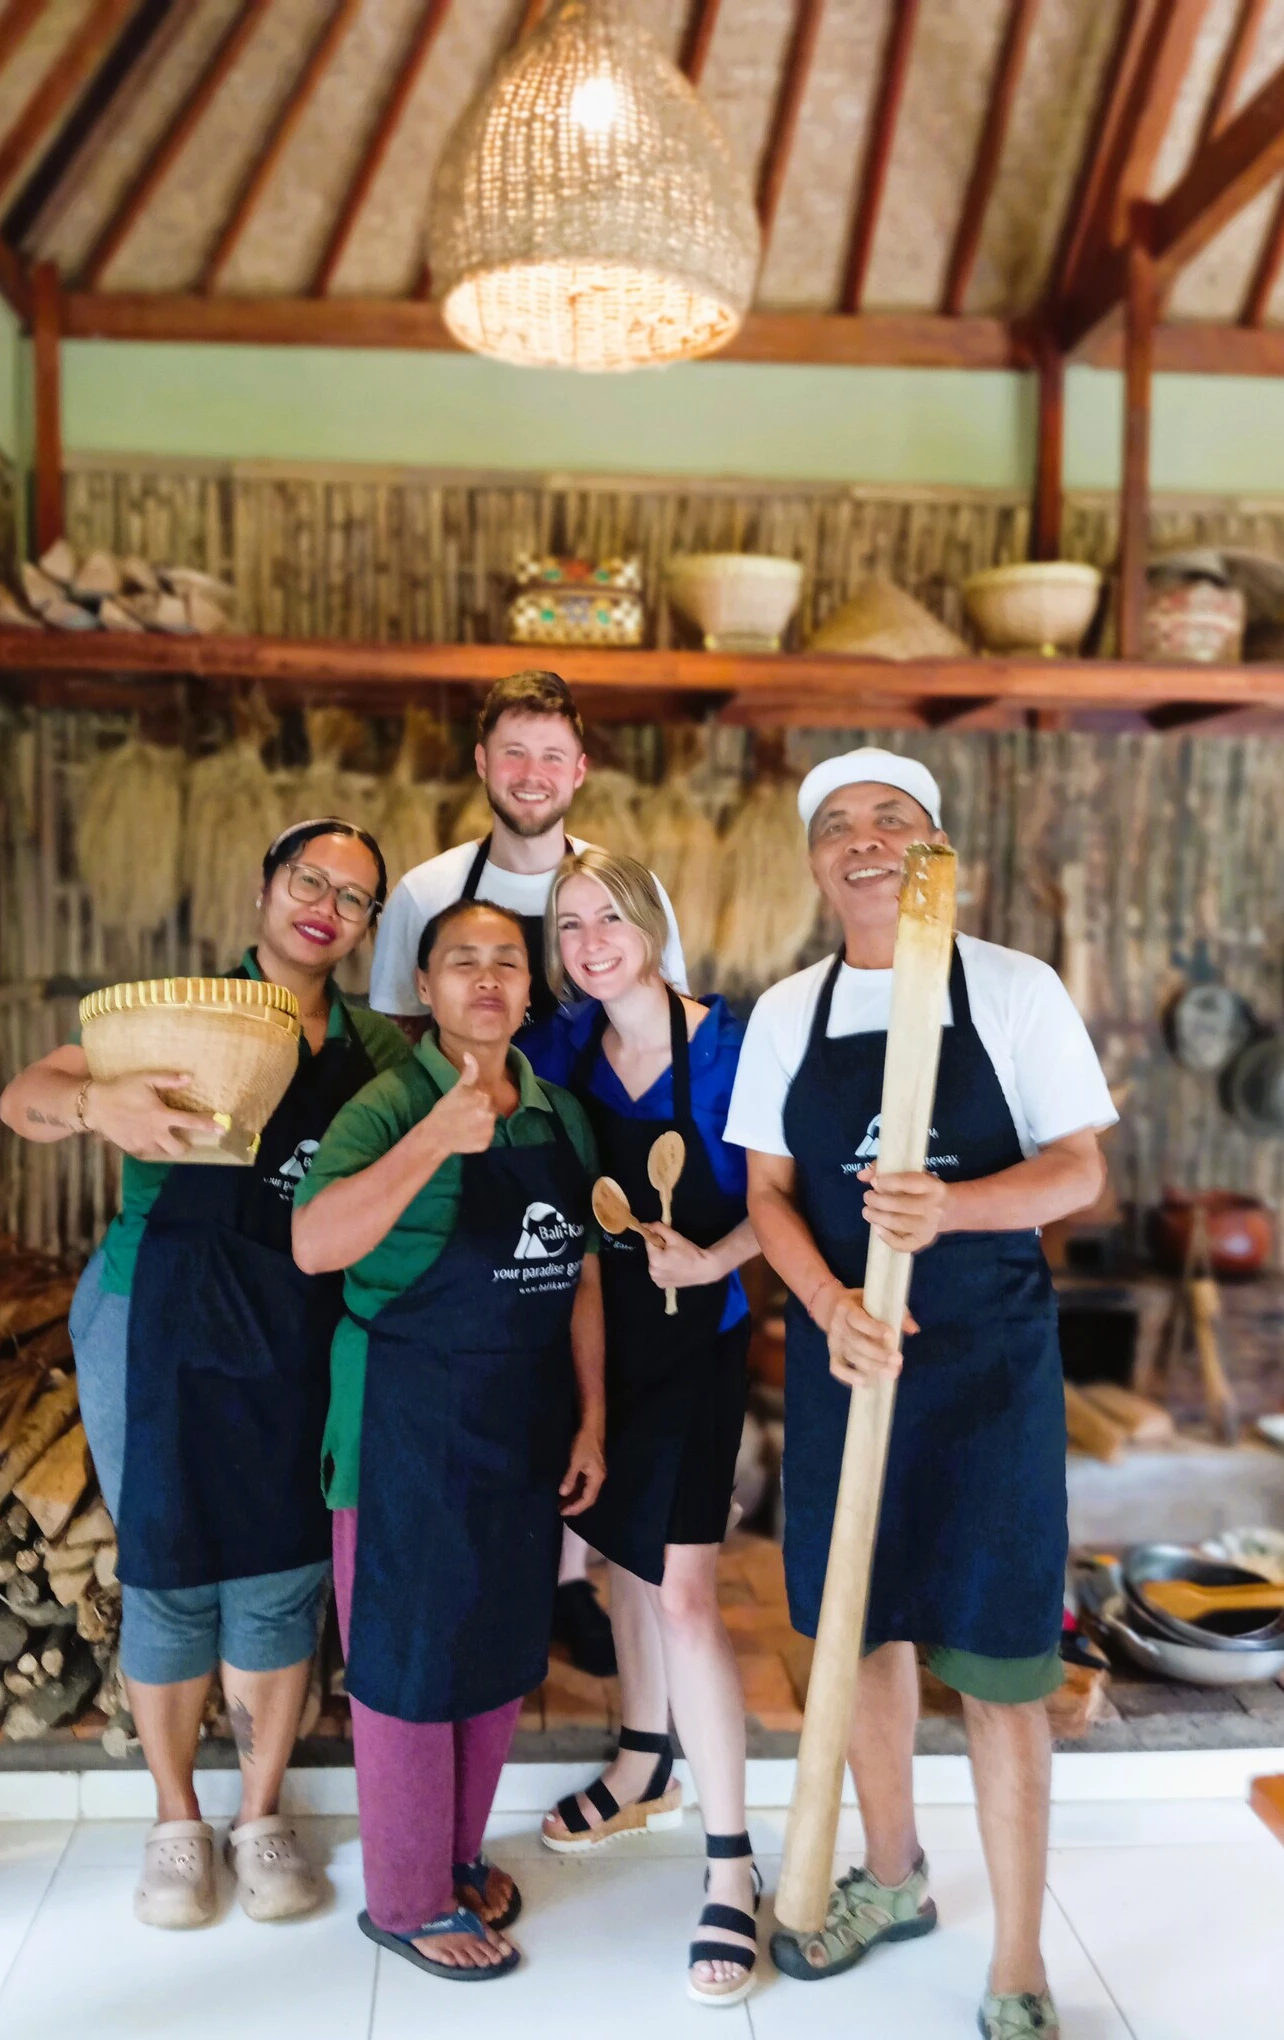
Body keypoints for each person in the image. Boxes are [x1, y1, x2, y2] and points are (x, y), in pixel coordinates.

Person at [723, 749, 1115, 2040]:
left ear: (936, 845)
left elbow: (1075, 1174)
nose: (865, 838)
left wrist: (952, 1206)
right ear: (818, 862)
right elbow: (769, 1198)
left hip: (990, 1376)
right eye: (838, 824)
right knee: (865, 1635)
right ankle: (892, 1881)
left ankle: (1016, 1963)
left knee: (1003, 1672)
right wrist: (831, 1306)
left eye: (892, 817)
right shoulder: (789, 1012)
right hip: (854, 1367)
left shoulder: (1011, 990)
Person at [0, 819, 409, 1930]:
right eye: (307, 880)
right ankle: (178, 1822)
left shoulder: (377, 1054)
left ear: (371, 927)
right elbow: (25, 1098)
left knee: (280, 1570)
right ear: (268, 888)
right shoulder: (169, 1012)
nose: (325, 905)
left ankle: (261, 1814)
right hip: (152, 1314)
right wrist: (100, 1106)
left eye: (355, 897)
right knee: (170, 1567)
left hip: (299, 1321)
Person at [291, 899, 606, 1982]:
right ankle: (405, 1898)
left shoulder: (559, 1116)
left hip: (521, 1420)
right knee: (406, 1661)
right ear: (421, 990)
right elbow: (313, 1243)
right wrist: (437, 1134)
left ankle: (457, 1856)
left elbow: (579, 1275)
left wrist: (593, 1418)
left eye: (506, 963)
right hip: (403, 1420)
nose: (485, 979)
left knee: (496, 1650)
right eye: (459, 962)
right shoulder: (385, 1107)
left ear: (531, 990)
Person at [369, 668, 686, 1676]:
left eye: (553, 754)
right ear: (482, 765)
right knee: (497, 1358)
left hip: (592, 1147)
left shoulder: (618, 886)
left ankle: (572, 1578)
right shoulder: (427, 891)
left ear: (581, 769)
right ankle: (510, 1569)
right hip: (469, 1145)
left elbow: (659, 1013)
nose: (533, 773)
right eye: (514, 752)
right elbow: (398, 1038)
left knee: (593, 1354)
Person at [530, 848, 763, 2008]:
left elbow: (801, 1194)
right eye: (568, 926)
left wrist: (712, 1253)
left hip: (694, 1347)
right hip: (594, 1342)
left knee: (682, 1595)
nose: (589, 941)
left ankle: (731, 1866)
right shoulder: (563, 1050)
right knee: (620, 1557)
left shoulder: (728, 1046)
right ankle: (641, 1762)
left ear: (653, 923)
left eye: (608, 916)